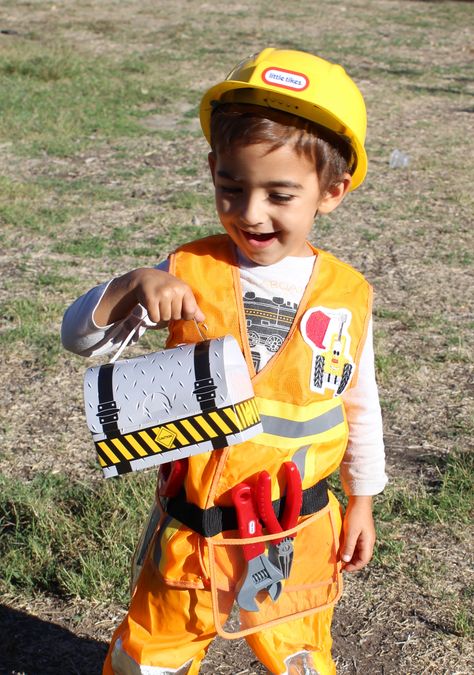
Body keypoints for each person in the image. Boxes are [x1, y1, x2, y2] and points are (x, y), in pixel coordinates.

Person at [62, 48, 387, 675]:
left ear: (332, 191)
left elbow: (359, 401)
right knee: (150, 656)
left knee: (298, 656)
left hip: (298, 530)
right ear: (212, 169)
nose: (250, 212)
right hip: (192, 535)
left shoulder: (347, 297)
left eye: (279, 194)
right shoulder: (185, 271)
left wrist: (363, 498)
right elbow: (81, 340)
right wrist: (130, 287)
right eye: (231, 188)